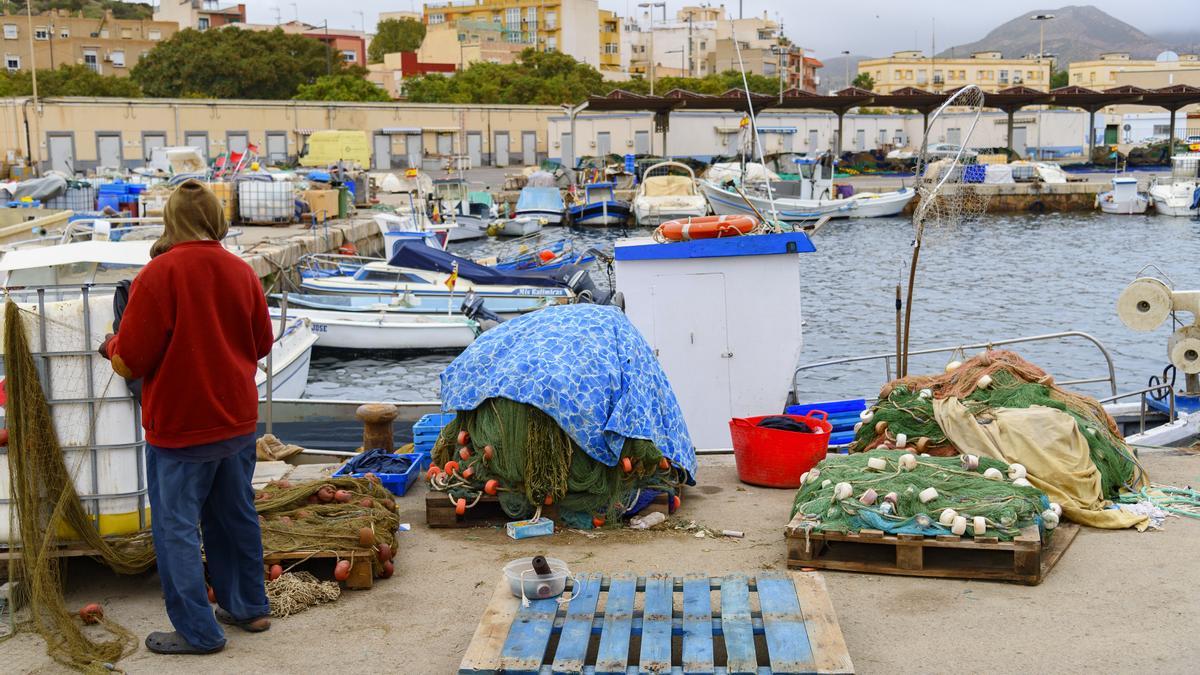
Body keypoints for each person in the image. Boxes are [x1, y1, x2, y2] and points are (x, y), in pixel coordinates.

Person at [99, 179, 275, 655]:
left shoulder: (157, 276)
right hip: (236, 423)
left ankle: (198, 632)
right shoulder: (242, 273)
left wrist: (110, 345)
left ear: (170, 221)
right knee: (235, 516)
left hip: (180, 429)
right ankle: (249, 608)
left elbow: (131, 359)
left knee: (176, 528)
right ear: (216, 220)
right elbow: (262, 345)